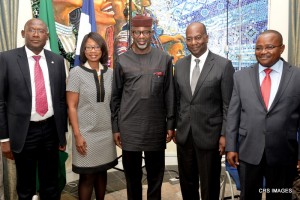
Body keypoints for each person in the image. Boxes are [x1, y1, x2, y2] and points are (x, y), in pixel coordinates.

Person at [226, 30, 300, 200]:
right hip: (248, 152)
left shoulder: (297, 76)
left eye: (269, 47)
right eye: (258, 48)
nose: (263, 52)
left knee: (280, 196)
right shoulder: (240, 77)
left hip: (284, 153)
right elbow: (233, 115)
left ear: (282, 48)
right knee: (249, 196)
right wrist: (231, 147)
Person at [0, 18, 67, 200]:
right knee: (26, 186)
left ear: (47, 35)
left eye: (40, 31)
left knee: (51, 185)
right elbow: (1, 102)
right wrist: (4, 138)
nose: (36, 34)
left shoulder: (58, 61)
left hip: (51, 130)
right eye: (31, 30)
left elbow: (61, 101)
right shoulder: (6, 59)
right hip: (24, 132)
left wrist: (62, 134)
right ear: (23, 33)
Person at [111, 15, 175, 200]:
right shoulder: (122, 60)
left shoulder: (164, 59)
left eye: (145, 32)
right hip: (129, 129)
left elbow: (169, 94)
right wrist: (116, 127)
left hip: (156, 128)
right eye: (137, 33)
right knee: (132, 178)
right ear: (131, 34)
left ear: (151, 33)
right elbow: (115, 97)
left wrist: (170, 124)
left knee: (156, 176)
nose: (141, 36)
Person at [173, 22, 234, 200]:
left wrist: (224, 135)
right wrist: (176, 126)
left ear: (206, 37)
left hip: (210, 135)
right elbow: (178, 100)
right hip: (185, 136)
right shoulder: (180, 65)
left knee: (209, 185)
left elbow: (228, 105)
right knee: (187, 183)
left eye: (198, 37)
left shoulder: (223, 65)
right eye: (189, 39)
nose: (194, 42)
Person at [67, 32, 118, 200]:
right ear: (83, 50)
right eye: (88, 47)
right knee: (87, 177)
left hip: (106, 133)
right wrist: (77, 135)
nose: (93, 51)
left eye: (96, 47)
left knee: (102, 172)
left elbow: (114, 104)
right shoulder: (76, 73)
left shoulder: (110, 73)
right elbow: (71, 106)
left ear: (102, 50)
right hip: (85, 134)